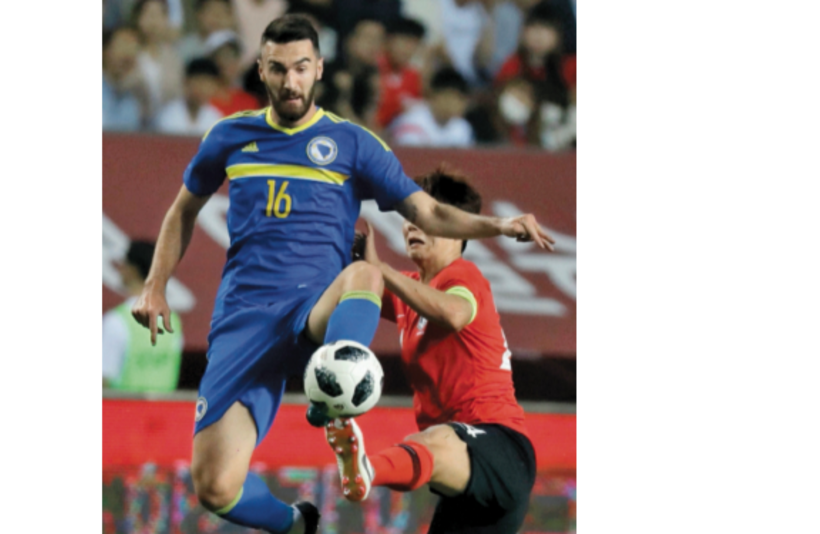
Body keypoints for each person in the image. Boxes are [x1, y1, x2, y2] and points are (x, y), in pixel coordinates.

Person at [132, 15, 554, 534]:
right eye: (279, 68)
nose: (291, 81)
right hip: (243, 320)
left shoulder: (352, 143)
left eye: (302, 68)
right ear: (261, 70)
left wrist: (498, 225)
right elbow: (182, 210)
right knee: (215, 487)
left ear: (319, 69)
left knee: (364, 275)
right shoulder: (228, 137)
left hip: (317, 307)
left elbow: (429, 212)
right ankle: (296, 525)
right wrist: (155, 284)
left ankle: (335, 389)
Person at [325, 169, 545, 533]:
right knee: (437, 441)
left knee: (433, 439)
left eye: (425, 219)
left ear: (458, 233)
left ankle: (366, 469)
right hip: (460, 484)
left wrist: (378, 267)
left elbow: (453, 313)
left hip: (500, 450)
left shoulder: (463, 276)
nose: (413, 227)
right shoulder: (409, 291)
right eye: (409, 219)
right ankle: (365, 469)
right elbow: (354, 285)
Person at [101, 241, 183, 392]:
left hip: (123, 412)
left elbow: (103, 380)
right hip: (162, 413)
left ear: (132, 269)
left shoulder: (116, 322)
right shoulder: (173, 321)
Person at [391, 67, 476, 148]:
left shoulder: (462, 128)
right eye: (448, 97)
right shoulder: (412, 121)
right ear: (433, 95)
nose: (453, 104)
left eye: (458, 99)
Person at [153, 59, 225, 136]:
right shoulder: (169, 116)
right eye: (200, 83)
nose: (204, 90)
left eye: (208, 85)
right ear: (186, 82)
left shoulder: (215, 118)